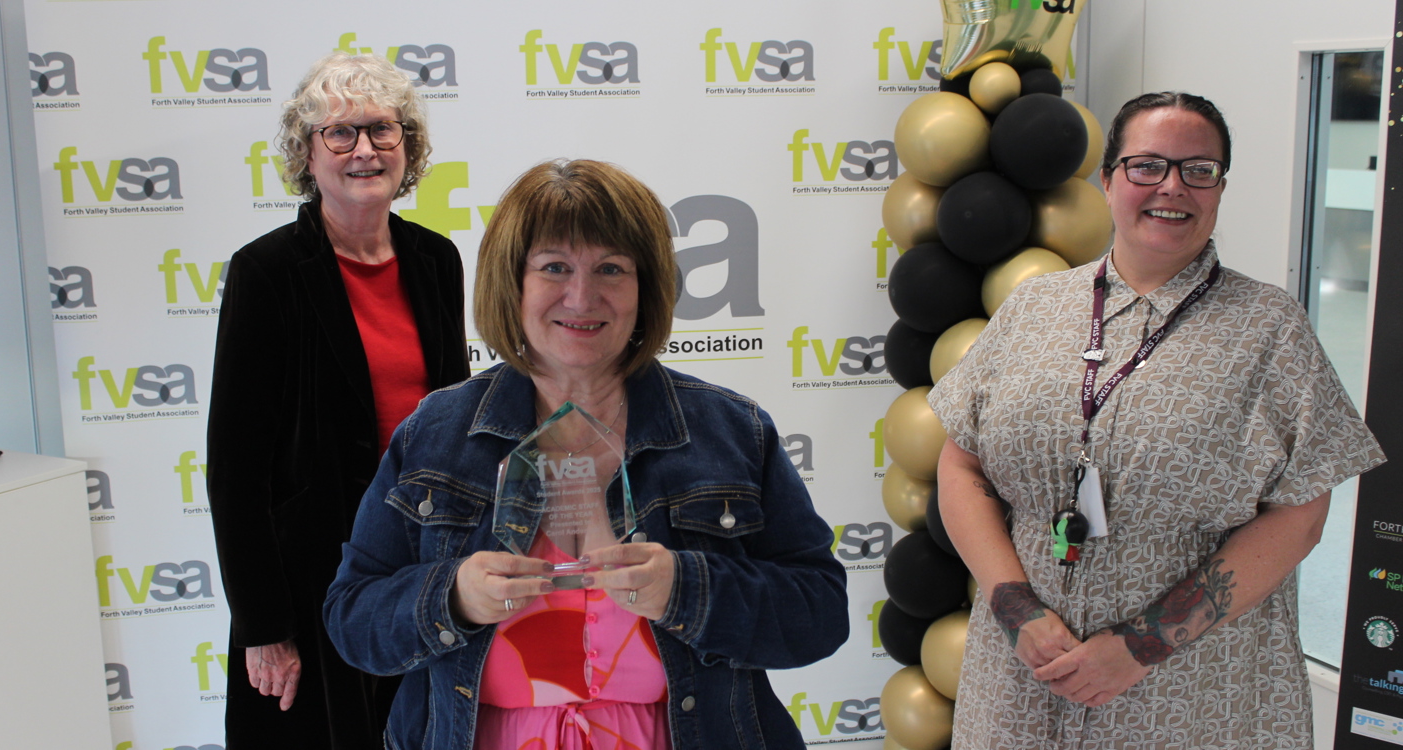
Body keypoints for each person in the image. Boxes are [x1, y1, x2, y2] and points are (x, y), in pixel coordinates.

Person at [323, 158, 848, 750]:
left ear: (646, 287)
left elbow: (820, 613)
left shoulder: (731, 430)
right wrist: (454, 596)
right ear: (512, 283)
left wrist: (688, 587)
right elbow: (352, 617)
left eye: (611, 268)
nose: (582, 296)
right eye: (554, 267)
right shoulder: (437, 433)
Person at [929, 91, 1385, 749]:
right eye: (1147, 165)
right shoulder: (1033, 308)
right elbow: (961, 463)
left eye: (1199, 169)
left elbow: (1302, 515)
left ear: (1219, 188)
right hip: (1024, 672)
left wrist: (1142, 645)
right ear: (1108, 179)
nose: (1172, 186)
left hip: (1195, 687)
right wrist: (1016, 608)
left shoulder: (1270, 328)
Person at [207, 53, 470, 749]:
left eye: (382, 130)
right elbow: (236, 470)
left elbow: (453, 423)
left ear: (407, 147)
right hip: (311, 579)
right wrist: (265, 628)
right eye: (340, 133)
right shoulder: (267, 272)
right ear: (307, 153)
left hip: (422, 563)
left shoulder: (436, 259)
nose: (364, 150)